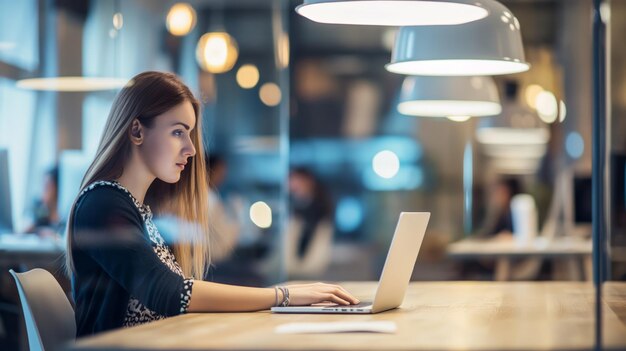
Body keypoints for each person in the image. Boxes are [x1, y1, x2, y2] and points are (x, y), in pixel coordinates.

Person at [64, 71, 359, 337]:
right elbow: (168, 293)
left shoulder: (130, 205)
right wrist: (282, 296)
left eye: (190, 134)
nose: (191, 149)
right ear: (137, 131)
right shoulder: (102, 202)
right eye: (178, 132)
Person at [286, 168, 334, 278]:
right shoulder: (296, 205)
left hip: (311, 266)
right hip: (298, 265)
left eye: (296, 180)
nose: (292, 185)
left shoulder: (319, 206)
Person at [205, 153, 240, 264]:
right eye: (219, 172)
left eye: (223, 173)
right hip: (209, 257)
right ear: (208, 171)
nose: (222, 177)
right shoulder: (207, 198)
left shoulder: (211, 196)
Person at [24, 166, 63, 237]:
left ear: (58, 188)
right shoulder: (42, 218)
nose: (43, 192)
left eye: (47, 186)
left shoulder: (66, 221)